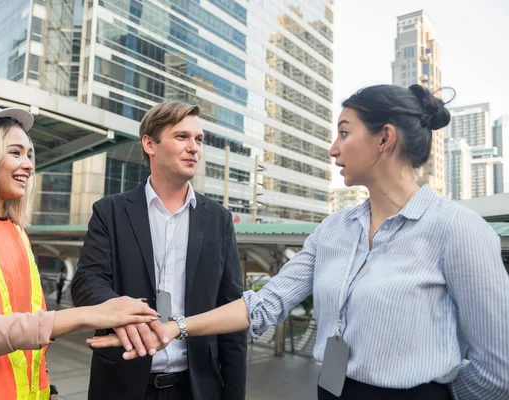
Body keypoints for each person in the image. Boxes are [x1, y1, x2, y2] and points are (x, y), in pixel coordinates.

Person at [88, 85, 509, 400]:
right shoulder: (333, 230)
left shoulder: (459, 231)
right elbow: (265, 302)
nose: (332, 149)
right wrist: (175, 327)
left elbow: (496, 372)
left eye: (344, 133)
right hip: (330, 388)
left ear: (385, 138)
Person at [0, 104, 160, 400]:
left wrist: (47, 386)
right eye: (15, 153)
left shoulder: (16, 231)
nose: (28, 164)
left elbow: (30, 324)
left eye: (29, 154)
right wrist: (90, 315)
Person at [71, 101, 247, 400]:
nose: (194, 148)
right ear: (150, 144)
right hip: (122, 384)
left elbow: (231, 308)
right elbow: (87, 282)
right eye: (182, 137)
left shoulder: (218, 219)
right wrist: (123, 313)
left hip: (196, 388)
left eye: (199, 140)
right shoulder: (110, 211)